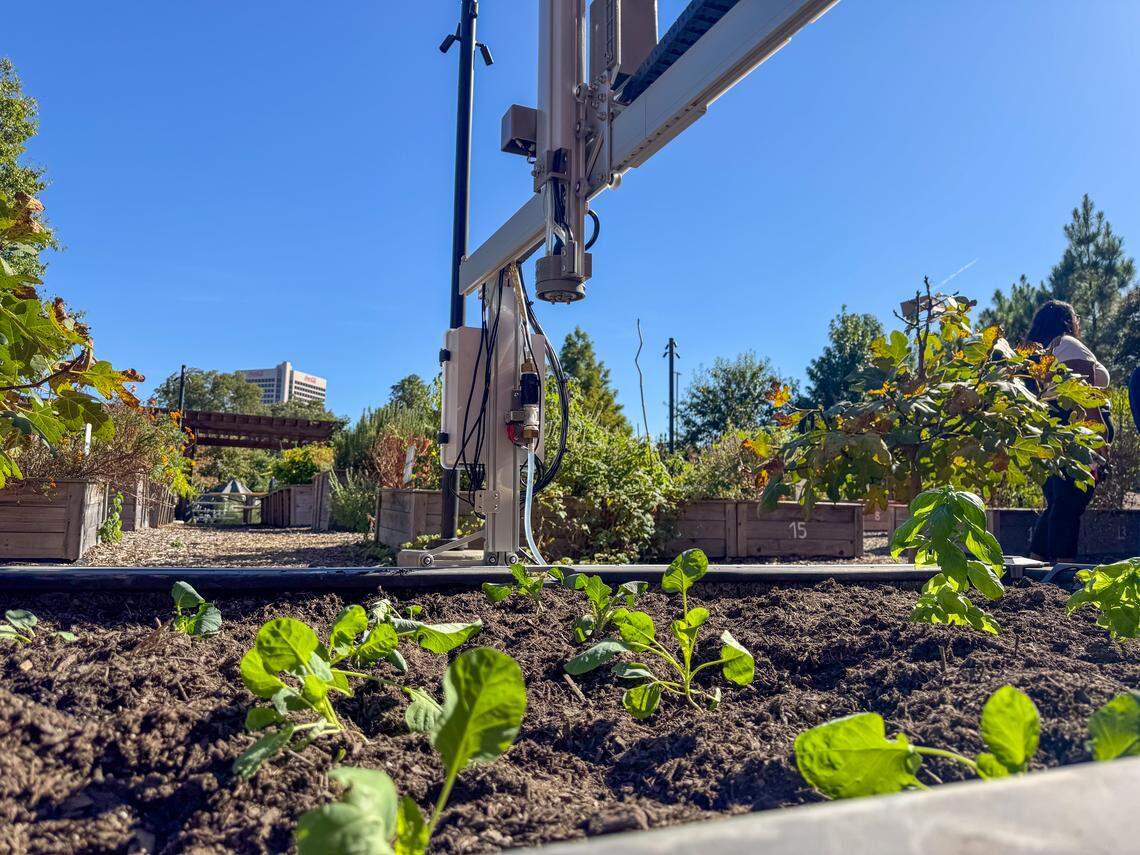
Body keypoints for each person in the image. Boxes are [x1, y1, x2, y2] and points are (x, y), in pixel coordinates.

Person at [1026, 301, 1111, 562]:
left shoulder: (1041, 353)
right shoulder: (1068, 344)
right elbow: (1084, 394)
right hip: (1075, 430)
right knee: (1069, 501)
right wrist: (1099, 437)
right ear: (1069, 321)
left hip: (1049, 432)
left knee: (1059, 502)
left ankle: (1036, 565)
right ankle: (1062, 569)